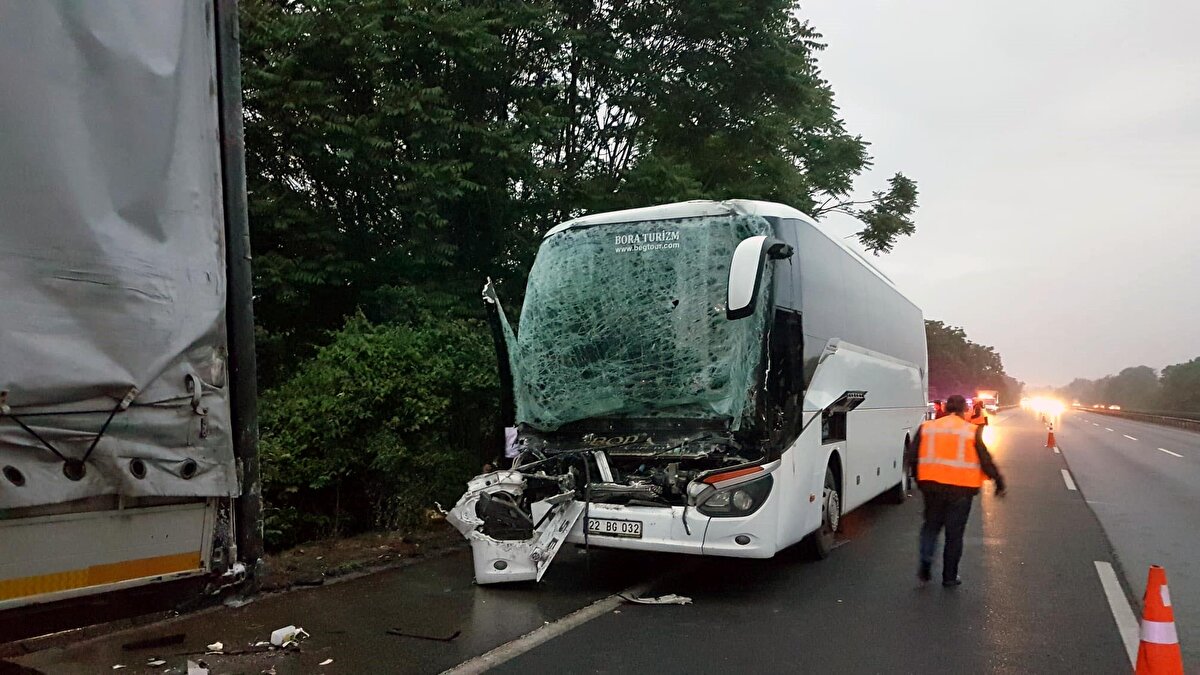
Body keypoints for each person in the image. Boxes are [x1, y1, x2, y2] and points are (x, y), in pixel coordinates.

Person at [905, 394, 1006, 587]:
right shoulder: (970, 431)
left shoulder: (927, 428)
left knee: (931, 527)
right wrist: (999, 482)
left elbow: (912, 456)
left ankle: (925, 564)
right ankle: (949, 577)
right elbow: (985, 459)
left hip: (931, 487)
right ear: (964, 410)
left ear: (944, 408)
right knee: (954, 534)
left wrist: (919, 479)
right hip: (961, 490)